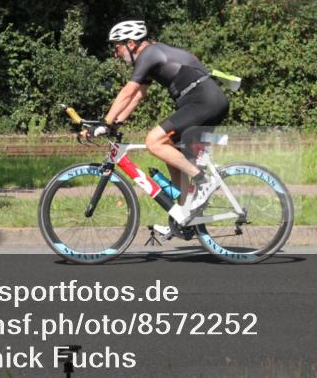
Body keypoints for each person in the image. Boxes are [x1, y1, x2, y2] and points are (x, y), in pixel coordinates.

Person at [90, 20, 229, 228]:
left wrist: (105, 122)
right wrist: (116, 123)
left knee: (153, 141)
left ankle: (203, 180)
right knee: (171, 153)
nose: (115, 53)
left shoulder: (149, 53)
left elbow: (128, 91)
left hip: (203, 101)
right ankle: (185, 217)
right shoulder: (151, 56)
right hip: (203, 101)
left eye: (116, 46)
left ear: (131, 42)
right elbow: (138, 96)